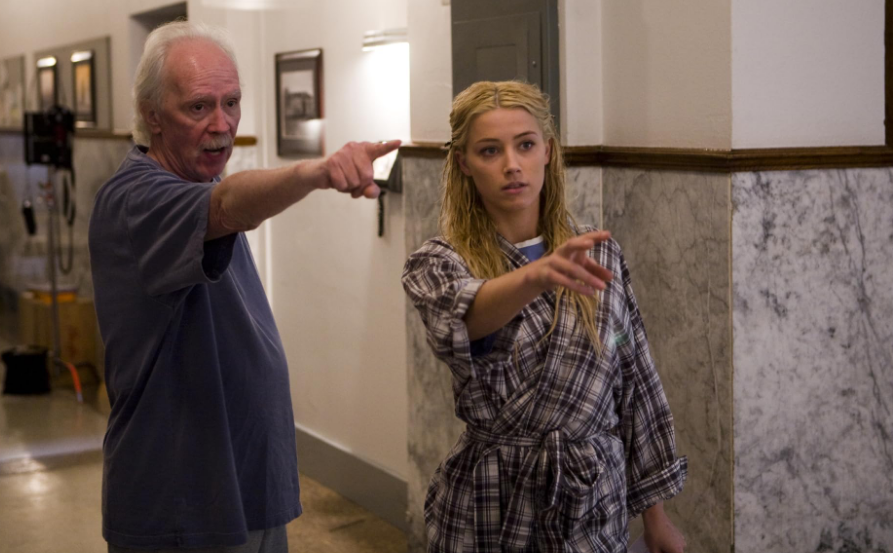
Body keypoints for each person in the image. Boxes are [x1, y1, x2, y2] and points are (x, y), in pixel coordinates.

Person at [88, 21, 399, 553]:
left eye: (231, 102)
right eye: (198, 107)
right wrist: (318, 172)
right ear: (152, 115)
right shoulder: (136, 198)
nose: (222, 124)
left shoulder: (197, 178)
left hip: (245, 486)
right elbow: (231, 203)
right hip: (184, 499)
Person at [401, 81, 687, 553]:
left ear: (548, 152)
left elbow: (633, 378)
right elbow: (463, 319)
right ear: (464, 163)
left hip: (592, 502)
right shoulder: (439, 263)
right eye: (490, 150)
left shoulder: (597, 253)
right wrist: (536, 276)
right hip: (491, 503)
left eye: (526, 145)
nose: (512, 164)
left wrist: (656, 518)